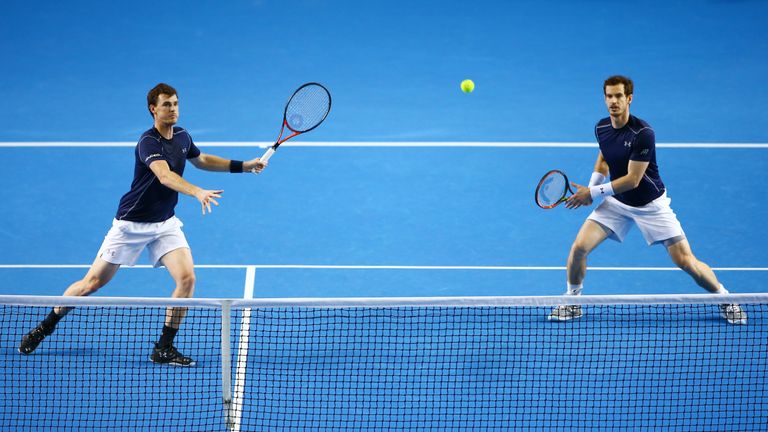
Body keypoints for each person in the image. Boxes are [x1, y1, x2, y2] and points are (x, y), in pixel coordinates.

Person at [19, 83, 268, 365]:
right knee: (91, 284)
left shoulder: (183, 136)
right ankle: (46, 326)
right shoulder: (148, 142)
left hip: (165, 224)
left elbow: (202, 160)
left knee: (187, 279)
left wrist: (244, 165)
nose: (173, 108)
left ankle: (163, 347)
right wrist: (197, 191)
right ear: (153, 109)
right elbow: (164, 176)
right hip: (131, 225)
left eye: (175, 103)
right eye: (166, 105)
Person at [548, 75, 746, 325]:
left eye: (619, 96)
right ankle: (573, 301)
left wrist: (594, 194)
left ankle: (725, 298)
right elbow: (604, 159)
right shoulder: (601, 127)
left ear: (629, 98)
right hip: (617, 203)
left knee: (685, 260)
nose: (613, 101)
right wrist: (592, 188)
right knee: (579, 249)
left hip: (650, 205)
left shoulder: (643, 133)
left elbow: (633, 179)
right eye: (609, 96)